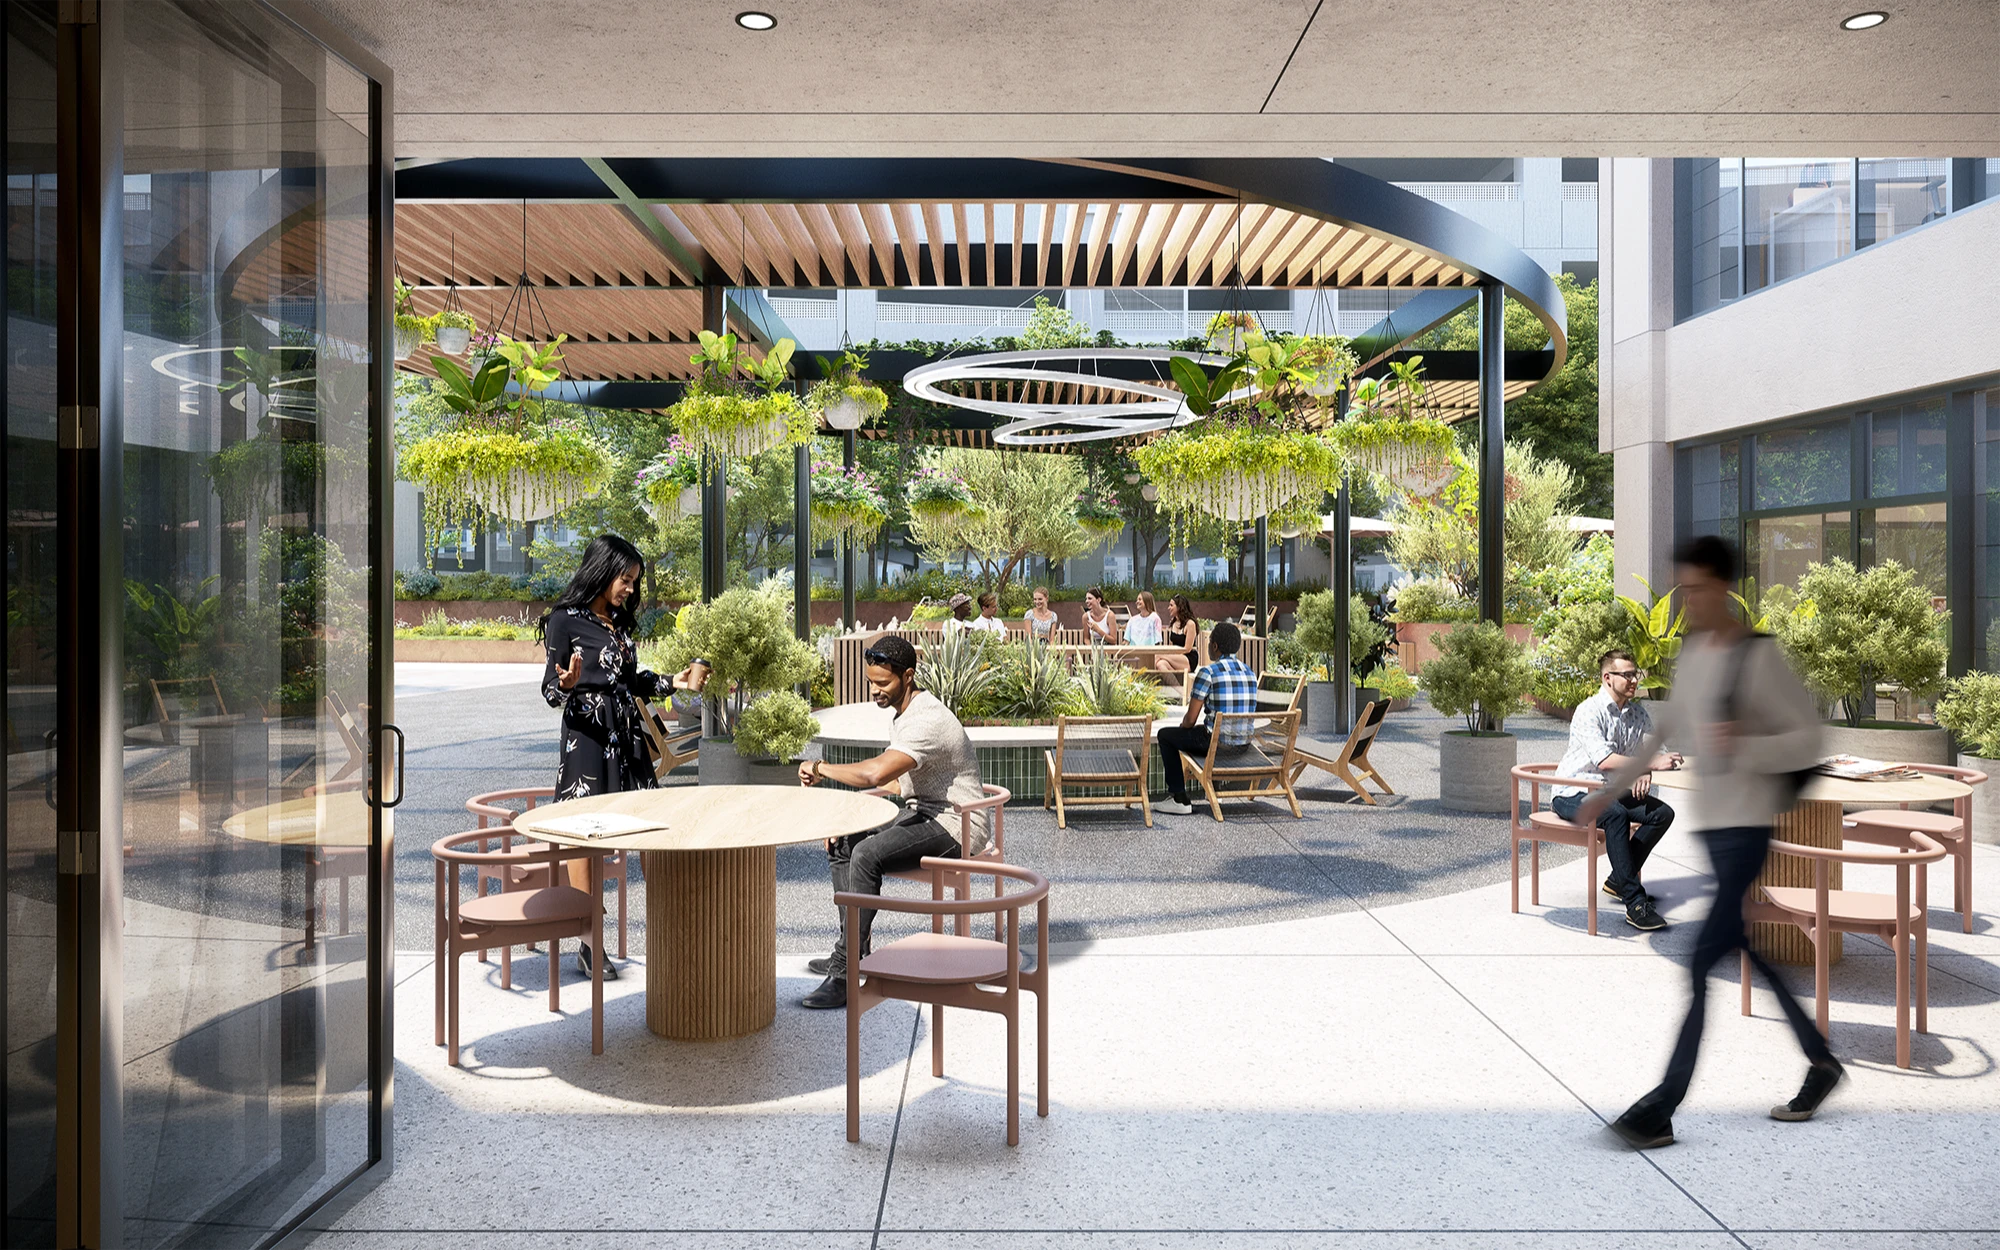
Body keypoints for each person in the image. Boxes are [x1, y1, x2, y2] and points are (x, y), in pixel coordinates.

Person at [1582, 535, 1837, 1150]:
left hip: (1748, 826)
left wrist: (1742, 745)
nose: (1687, 600)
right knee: (1744, 946)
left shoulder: (1758, 656)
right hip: (1715, 828)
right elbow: (1663, 730)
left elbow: (1808, 740)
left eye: (1696, 588)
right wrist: (1606, 790)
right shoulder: (1695, 653)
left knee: (1699, 964)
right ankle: (1822, 1061)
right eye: (1683, 589)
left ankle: (1660, 1109)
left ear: (1723, 587)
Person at [795, 636, 988, 1008]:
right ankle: (853, 949)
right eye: (871, 682)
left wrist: (820, 768)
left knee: (867, 854)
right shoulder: (905, 713)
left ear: (908, 676)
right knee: (845, 841)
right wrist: (849, 816)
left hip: (958, 824)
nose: (874, 690)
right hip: (926, 812)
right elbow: (899, 784)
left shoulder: (926, 719)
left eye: (883, 683)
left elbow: (875, 773)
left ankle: (845, 970)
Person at [540, 533, 701, 979]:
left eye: (634, 580)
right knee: (585, 835)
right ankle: (590, 942)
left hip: (627, 737)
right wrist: (567, 685)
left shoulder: (616, 622)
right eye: (625, 579)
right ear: (602, 571)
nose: (630, 588)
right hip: (588, 739)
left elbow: (628, 680)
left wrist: (673, 682)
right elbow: (550, 690)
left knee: (648, 826)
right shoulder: (564, 620)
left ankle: (670, 928)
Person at [1551, 648, 1682, 932]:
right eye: (1627, 675)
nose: (1634, 680)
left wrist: (1646, 768)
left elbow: (1656, 751)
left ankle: (1618, 880)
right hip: (1574, 791)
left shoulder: (1637, 714)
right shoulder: (1589, 711)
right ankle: (1635, 903)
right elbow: (1605, 760)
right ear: (1607, 678)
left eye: (1636, 674)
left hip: (1610, 792)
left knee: (1662, 814)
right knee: (1615, 814)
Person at [1154, 620, 1256, 815]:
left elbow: (1190, 720)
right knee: (1205, 731)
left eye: (1209, 643)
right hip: (1243, 744)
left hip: (1215, 744)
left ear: (1215, 646)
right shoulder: (1250, 672)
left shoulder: (1208, 672)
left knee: (1166, 736)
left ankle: (1179, 799)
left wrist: (1182, 730)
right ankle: (1210, 789)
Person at [1155, 593, 1201, 674]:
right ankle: (1176, 681)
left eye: (1171, 605)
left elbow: (1187, 649)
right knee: (1161, 664)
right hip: (1176, 657)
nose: (1168, 608)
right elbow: (1171, 645)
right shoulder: (1173, 623)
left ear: (1179, 607)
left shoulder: (1190, 624)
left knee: (1157, 656)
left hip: (1188, 657)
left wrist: (1169, 655)